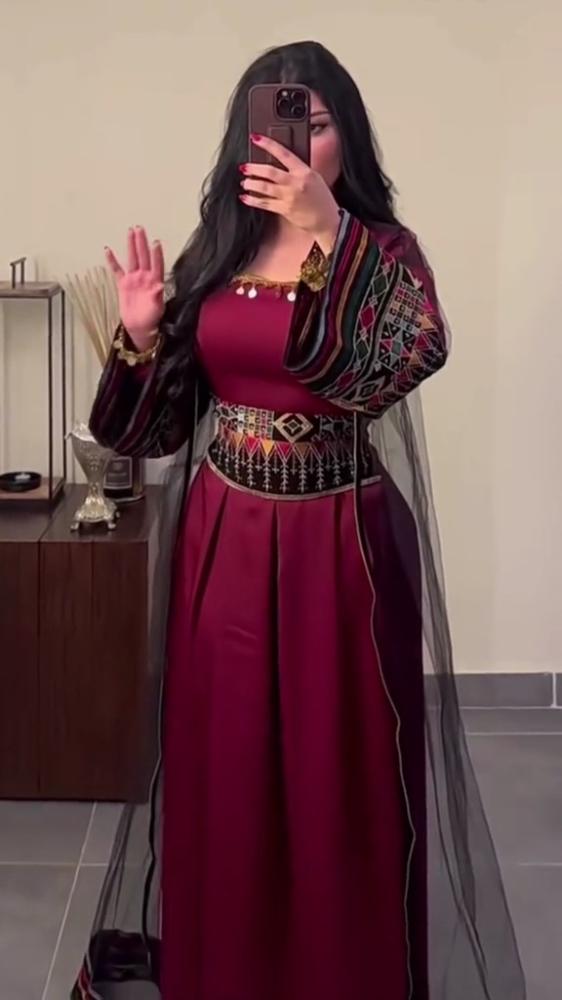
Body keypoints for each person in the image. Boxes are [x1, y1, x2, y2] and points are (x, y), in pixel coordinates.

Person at [73, 40, 525, 1000]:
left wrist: (330, 235)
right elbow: (154, 432)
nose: (293, 141)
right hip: (225, 544)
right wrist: (142, 335)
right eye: (274, 122)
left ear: (343, 136)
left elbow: (410, 355)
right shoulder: (219, 251)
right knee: (228, 762)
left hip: (341, 547)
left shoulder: (383, 251)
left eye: (314, 124)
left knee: (336, 772)